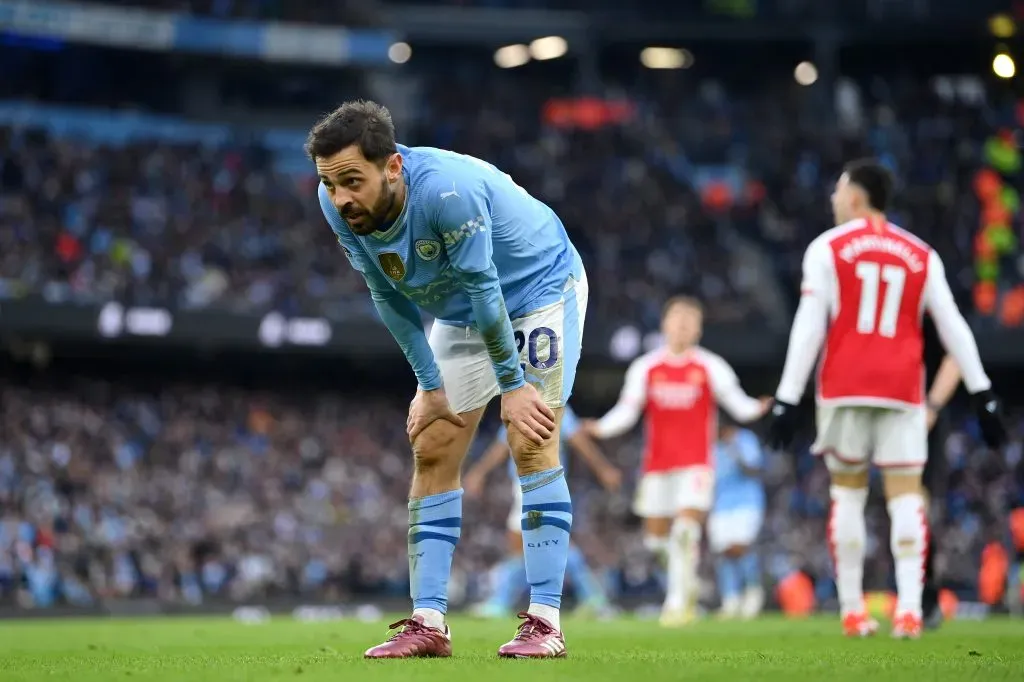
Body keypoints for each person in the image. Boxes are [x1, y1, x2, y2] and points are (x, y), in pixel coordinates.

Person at [308, 100, 587, 659]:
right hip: (461, 311)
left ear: (392, 167)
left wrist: (512, 386)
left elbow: (488, 289)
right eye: (330, 184)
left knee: (531, 439)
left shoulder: (446, 191)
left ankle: (545, 622)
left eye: (351, 182)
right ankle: (429, 623)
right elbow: (386, 294)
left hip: (538, 292)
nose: (340, 198)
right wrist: (428, 385)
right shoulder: (336, 202)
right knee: (432, 443)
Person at [766, 159, 1007, 639]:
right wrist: (983, 392)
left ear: (855, 197)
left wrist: (787, 398)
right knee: (905, 499)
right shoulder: (919, 253)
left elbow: (810, 327)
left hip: (845, 388)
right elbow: (953, 325)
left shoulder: (827, 249)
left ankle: (854, 612)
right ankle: (911, 612)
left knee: (848, 495)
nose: (833, 199)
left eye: (838, 190)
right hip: (902, 391)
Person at [581, 296, 770, 627]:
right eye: (676, 318)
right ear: (664, 323)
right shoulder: (647, 367)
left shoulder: (711, 367)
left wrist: (760, 407)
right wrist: (600, 427)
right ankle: (687, 583)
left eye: (689, 319)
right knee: (656, 542)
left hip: (696, 465)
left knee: (685, 531)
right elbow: (627, 411)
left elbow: (739, 406)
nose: (682, 324)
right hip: (657, 467)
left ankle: (677, 602)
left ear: (698, 327)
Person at [464, 404, 622, 619]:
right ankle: (592, 599)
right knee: (530, 544)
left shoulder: (553, 405)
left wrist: (603, 469)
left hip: (539, 484)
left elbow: (579, 440)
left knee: (538, 543)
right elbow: (503, 444)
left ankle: (501, 602)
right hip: (523, 486)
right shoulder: (521, 404)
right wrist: (479, 472)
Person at [708, 419, 766, 620]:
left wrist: (734, 448)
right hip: (720, 504)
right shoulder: (711, 446)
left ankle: (753, 593)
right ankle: (730, 600)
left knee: (740, 548)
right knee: (724, 553)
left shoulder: (745, 440)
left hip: (746, 502)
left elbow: (753, 469)